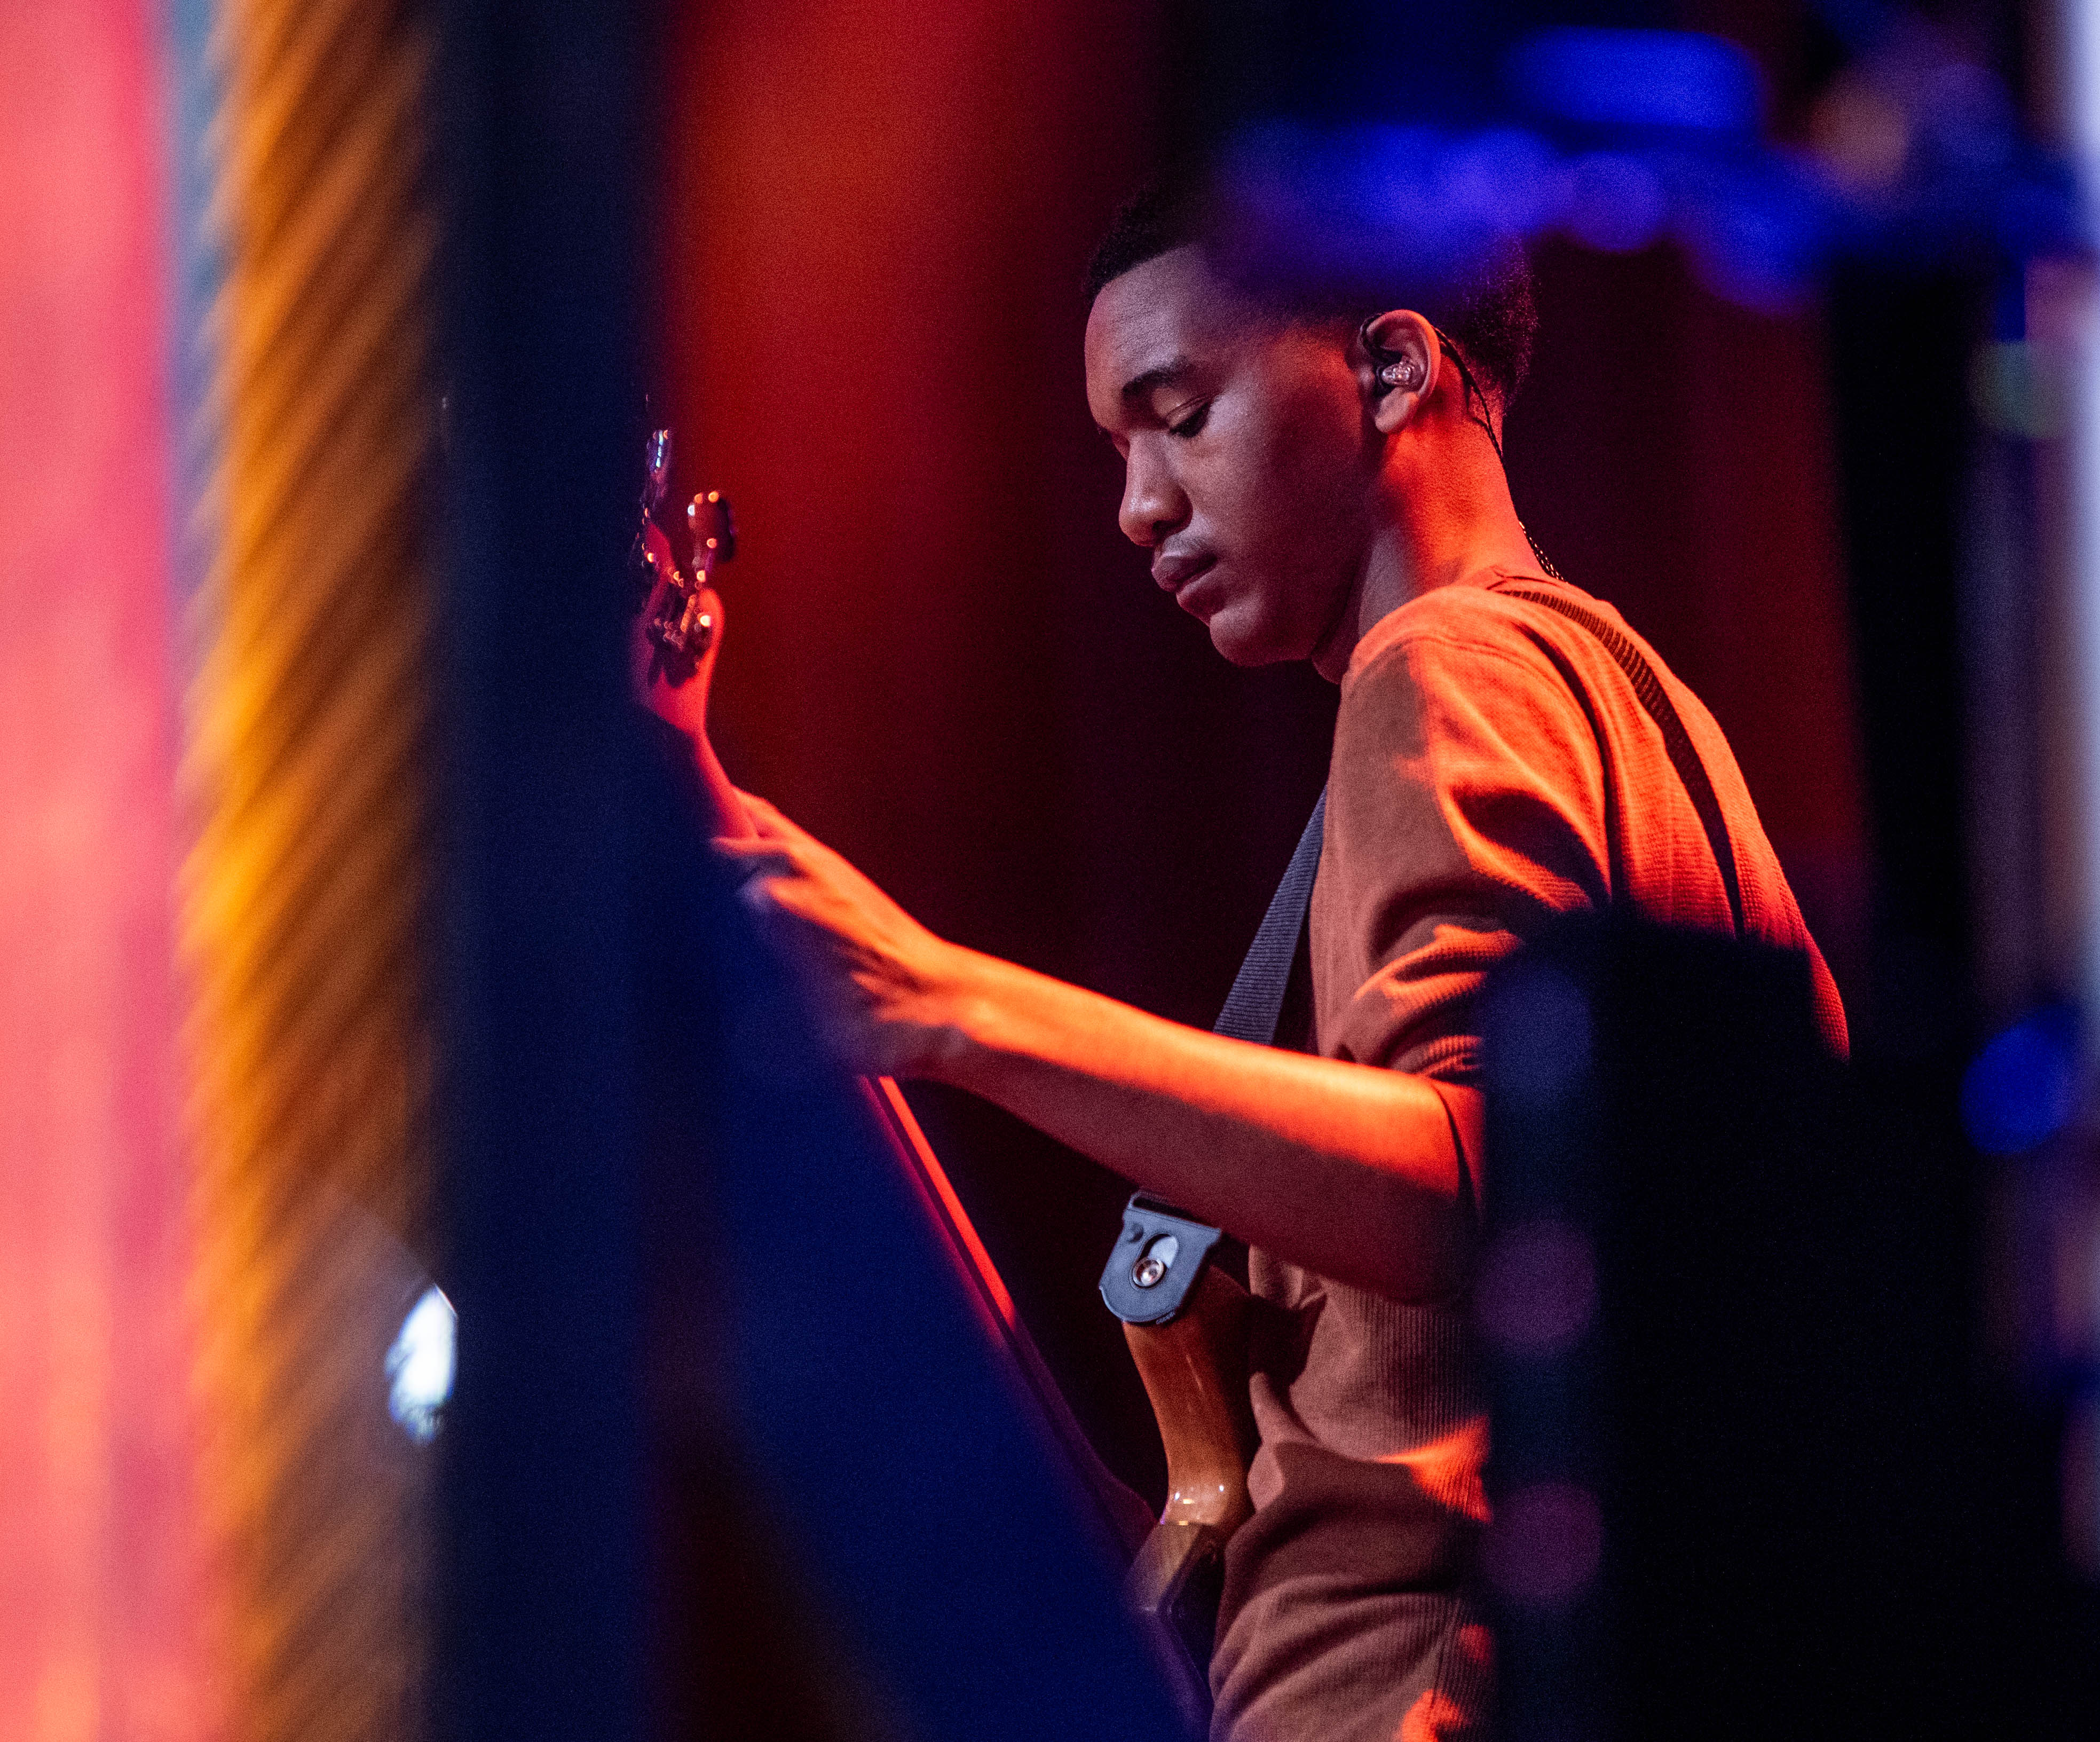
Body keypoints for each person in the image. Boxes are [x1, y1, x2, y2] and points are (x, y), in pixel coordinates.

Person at [719, 186, 1847, 1742]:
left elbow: (1482, 1189)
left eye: (1176, 417)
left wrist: (946, 1000)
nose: (1137, 504)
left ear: (1394, 374)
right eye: (1119, 452)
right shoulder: (1625, 699)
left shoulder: (1442, 671)